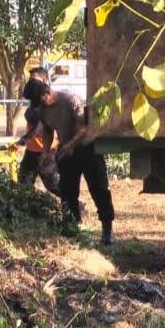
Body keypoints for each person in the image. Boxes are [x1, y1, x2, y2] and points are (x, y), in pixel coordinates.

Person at [23, 77, 115, 245]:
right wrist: (46, 152)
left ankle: (107, 230)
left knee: (99, 188)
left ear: (47, 92)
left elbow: (84, 128)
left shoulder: (70, 100)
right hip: (66, 150)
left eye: (40, 100)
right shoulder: (42, 109)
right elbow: (48, 132)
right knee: (67, 191)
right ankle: (73, 227)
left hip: (87, 148)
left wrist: (72, 144)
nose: (39, 105)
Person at [16, 67, 58, 191]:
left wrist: (23, 140)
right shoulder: (35, 97)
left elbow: (41, 125)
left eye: (34, 79)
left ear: (44, 80)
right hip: (32, 150)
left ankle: (75, 206)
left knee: (52, 185)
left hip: (46, 149)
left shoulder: (48, 98)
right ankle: (27, 209)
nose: (31, 82)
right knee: (23, 184)